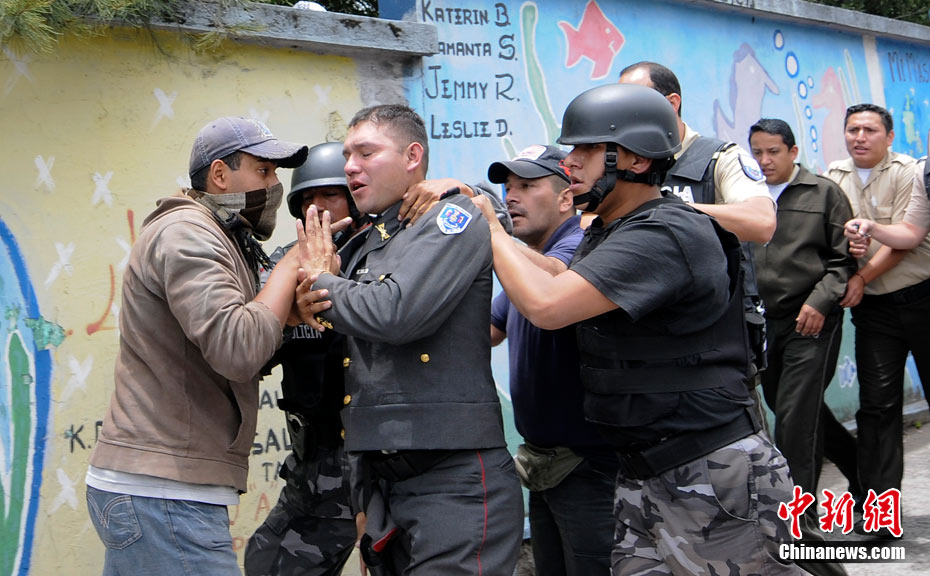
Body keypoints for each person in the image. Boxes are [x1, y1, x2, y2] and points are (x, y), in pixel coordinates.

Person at [472, 83, 800, 575]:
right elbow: (559, 276)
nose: (571, 162)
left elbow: (546, 306)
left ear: (637, 160)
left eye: (586, 149)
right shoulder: (612, 230)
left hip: (709, 470)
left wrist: (491, 230)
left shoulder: (662, 232)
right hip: (643, 470)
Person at [295, 104, 523, 575]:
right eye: (347, 155)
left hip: (452, 479)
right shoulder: (368, 240)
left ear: (412, 156)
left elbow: (396, 313)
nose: (350, 167)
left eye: (366, 153)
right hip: (383, 481)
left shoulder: (451, 216)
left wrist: (321, 282)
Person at [85, 116, 310, 575]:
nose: (274, 186)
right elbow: (236, 349)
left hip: (160, 490)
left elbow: (223, 344)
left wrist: (284, 317)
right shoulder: (188, 233)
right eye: (263, 171)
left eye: (275, 174)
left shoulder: (214, 233)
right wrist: (290, 267)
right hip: (165, 494)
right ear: (220, 175)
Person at [486, 144, 617, 575]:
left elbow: (554, 279)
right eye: (508, 187)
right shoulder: (524, 265)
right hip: (544, 464)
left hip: (590, 465)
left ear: (565, 198)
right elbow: (486, 332)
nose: (511, 197)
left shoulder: (581, 244)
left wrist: (492, 234)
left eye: (527, 186)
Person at [245, 142, 369, 576]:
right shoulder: (283, 266)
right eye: (306, 199)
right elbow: (251, 350)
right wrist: (290, 312)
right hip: (312, 468)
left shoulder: (377, 256)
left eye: (330, 195)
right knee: (265, 561)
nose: (317, 208)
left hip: (371, 467)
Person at [618, 61, 773, 390]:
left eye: (635, 99)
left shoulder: (720, 158)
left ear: (671, 103)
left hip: (719, 337)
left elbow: (761, 222)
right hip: (647, 333)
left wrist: (671, 211)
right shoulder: (621, 163)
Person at [748, 118, 861, 505]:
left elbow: (843, 262)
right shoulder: (747, 196)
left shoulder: (823, 193)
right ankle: (862, 471)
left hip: (812, 320)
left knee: (794, 417)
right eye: (757, 152)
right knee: (789, 406)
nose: (764, 160)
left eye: (773, 152)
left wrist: (820, 301)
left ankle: (796, 514)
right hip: (764, 322)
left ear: (793, 151)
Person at [828, 105, 925, 537]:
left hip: (922, 298)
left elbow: (905, 239)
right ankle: (879, 515)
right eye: (852, 129)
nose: (859, 137)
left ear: (889, 136)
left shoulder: (910, 173)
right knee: (877, 408)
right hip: (874, 311)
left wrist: (861, 276)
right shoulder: (834, 176)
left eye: (869, 129)